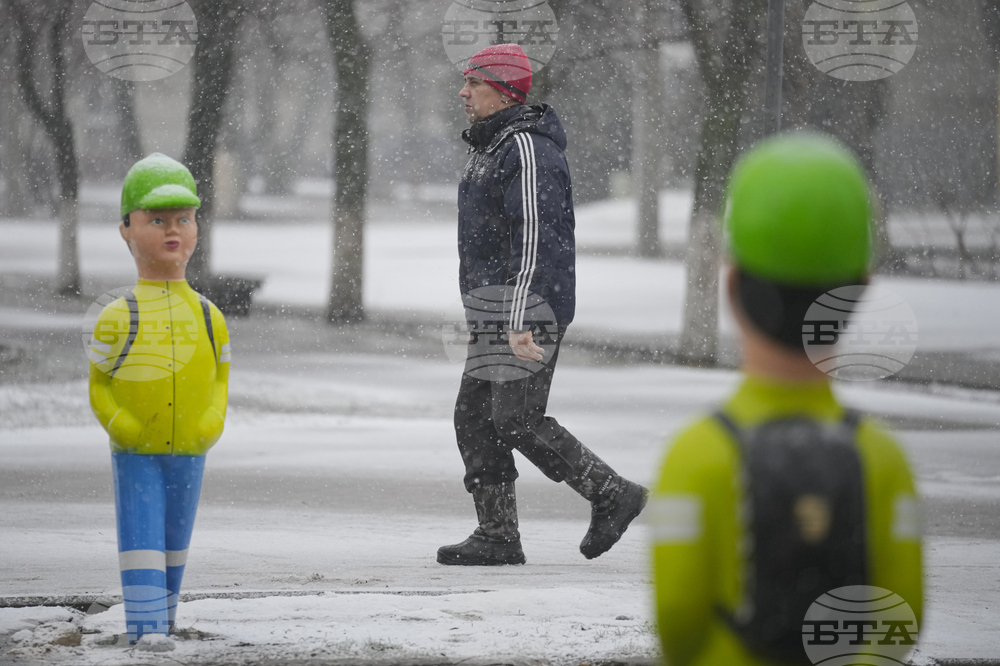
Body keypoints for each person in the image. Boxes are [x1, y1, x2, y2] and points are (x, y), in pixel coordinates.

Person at [650, 133, 922, 665]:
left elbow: (678, 613)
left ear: (731, 287)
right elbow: (902, 614)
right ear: (860, 289)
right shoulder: (882, 456)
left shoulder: (696, 453)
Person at [438, 43, 647, 566]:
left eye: (475, 83)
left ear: (505, 90)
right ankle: (497, 535)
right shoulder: (490, 147)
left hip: (529, 312)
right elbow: (486, 245)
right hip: (496, 312)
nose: (463, 92)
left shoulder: (526, 148)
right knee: (474, 417)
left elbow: (536, 239)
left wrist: (521, 318)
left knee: (515, 419)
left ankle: (612, 493)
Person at [88, 153, 231, 648]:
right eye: (157, 220)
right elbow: (100, 384)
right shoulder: (117, 316)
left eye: (183, 219)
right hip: (137, 449)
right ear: (127, 229)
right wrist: (117, 421)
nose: (173, 231)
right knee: (143, 536)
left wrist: (214, 417)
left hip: (191, 444)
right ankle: (145, 626)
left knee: (174, 540)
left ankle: (162, 620)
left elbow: (220, 378)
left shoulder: (210, 316)